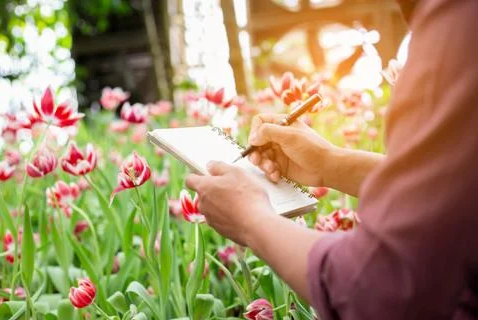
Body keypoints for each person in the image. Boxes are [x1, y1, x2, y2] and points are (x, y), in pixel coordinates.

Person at [185, 0, 478, 318]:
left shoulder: (459, 26)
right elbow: (457, 193)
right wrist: (330, 163)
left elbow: (380, 287)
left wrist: (253, 220)